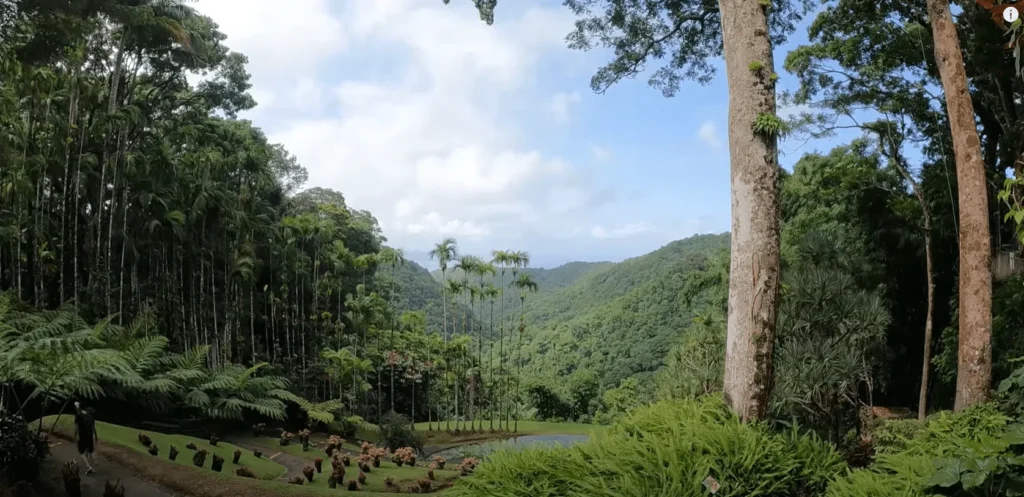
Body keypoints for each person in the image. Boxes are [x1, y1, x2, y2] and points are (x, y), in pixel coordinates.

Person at [73, 401, 98, 475]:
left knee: (81, 452)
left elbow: (76, 428)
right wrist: (96, 436)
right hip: (90, 435)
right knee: (90, 451)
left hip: (82, 435)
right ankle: (93, 466)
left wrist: (75, 436)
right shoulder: (90, 415)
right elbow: (93, 427)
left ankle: (88, 466)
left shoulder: (78, 416)